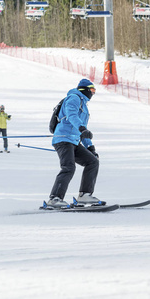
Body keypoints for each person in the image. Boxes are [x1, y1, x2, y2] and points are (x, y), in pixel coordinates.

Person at [48, 78, 100, 207]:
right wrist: (82, 128)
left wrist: (90, 147)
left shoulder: (84, 106)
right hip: (63, 139)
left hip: (73, 141)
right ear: (85, 89)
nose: (93, 93)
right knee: (68, 167)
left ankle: (85, 195)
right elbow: (72, 116)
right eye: (92, 90)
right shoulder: (74, 98)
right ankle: (54, 198)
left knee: (92, 161)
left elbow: (83, 130)